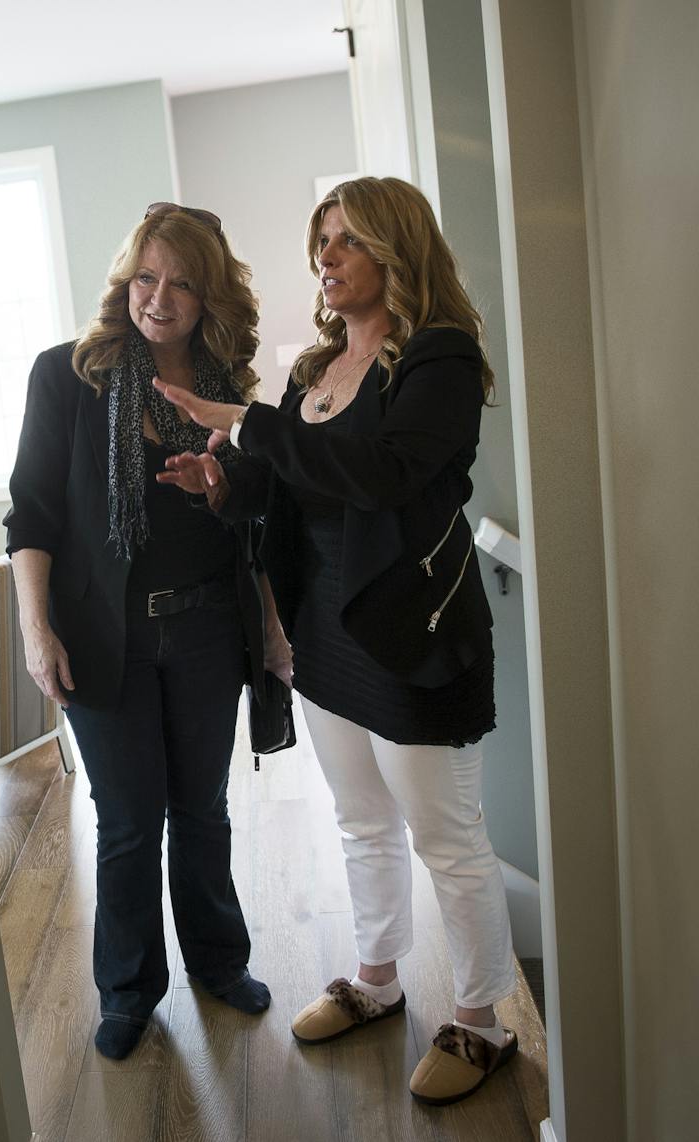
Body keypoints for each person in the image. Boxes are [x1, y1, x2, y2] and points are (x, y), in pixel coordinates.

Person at [155, 176, 518, 1106]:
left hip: (409, 636)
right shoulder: (316, 369)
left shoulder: (438, 357)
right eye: (322, 239)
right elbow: (293, 487)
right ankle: (378, 978)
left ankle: (483, 1022)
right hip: (325, 631)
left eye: (348, 239)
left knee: (448, 836)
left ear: (396, 249)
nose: (327, 256)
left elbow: (385, 475)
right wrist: (225, 483)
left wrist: (249, 424)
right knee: (362, 823)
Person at [4, 203, 275, 1061]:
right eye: (147, 277)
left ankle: (219, 964)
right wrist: (34, 627)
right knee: (127, 822)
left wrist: (220, 492)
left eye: (183, 283)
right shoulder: (66, 377)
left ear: (208, 298)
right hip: (102, 635)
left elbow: (257, 519)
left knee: (203, 809)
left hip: (204, 630)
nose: (160, 297)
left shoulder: (228, 392)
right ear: (126, 281)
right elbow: (33, 514)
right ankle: (126, 991)